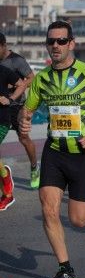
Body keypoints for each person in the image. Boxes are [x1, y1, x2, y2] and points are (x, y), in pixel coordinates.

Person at [18, 20, 85, 278]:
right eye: (51, 41)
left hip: (82, 155)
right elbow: (27, 109)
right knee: (49, 209)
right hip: (54, 152)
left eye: (61, 41)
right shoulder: (42, 79)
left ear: (71, 44)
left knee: (80, 220)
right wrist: (24, 120)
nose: (55, 45)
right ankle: (65, 270)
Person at [0, 33, 40, 188]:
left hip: (17, 106)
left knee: (23, 138)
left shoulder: (16, 60)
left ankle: (34, 167)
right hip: (1, 108)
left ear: (4, 45)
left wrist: (10, 87)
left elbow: (31, 78)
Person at [0, 64, 26, 210]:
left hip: (1, 121)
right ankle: (6, 188)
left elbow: (21, 85)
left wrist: (10, 99)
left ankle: (8, 193)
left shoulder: (3, 71)